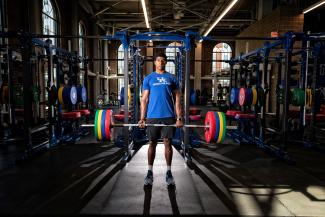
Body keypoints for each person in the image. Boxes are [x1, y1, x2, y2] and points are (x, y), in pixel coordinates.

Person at [138, 52, 183, 186]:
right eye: (158, 60)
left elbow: (177, 99)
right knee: (152, 143)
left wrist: (179, 117)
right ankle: (149, 172)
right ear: (155, 62)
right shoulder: (149, 78)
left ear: (166, 62)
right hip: (152, 117)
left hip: (168, 116)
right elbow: (144, 99)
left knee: (168, 143)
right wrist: (142, 118)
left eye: (163, 60)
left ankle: (169, 172)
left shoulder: (172, 78)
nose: (161, 62)